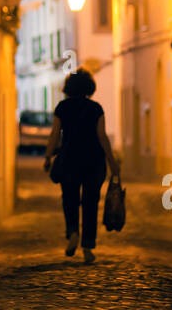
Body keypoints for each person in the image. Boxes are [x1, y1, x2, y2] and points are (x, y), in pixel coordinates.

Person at [43, 69, 120, 264]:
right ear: (89, 87)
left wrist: (47, 156)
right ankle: (87, 246)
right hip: (93, 161)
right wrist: (112, 161)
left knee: (69, 198)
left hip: (69, 159)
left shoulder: (62, 107)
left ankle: (73, 233)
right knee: (90, 202)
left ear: (68, 88)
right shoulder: (96, 109)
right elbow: (102, 136)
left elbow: (54, 134)